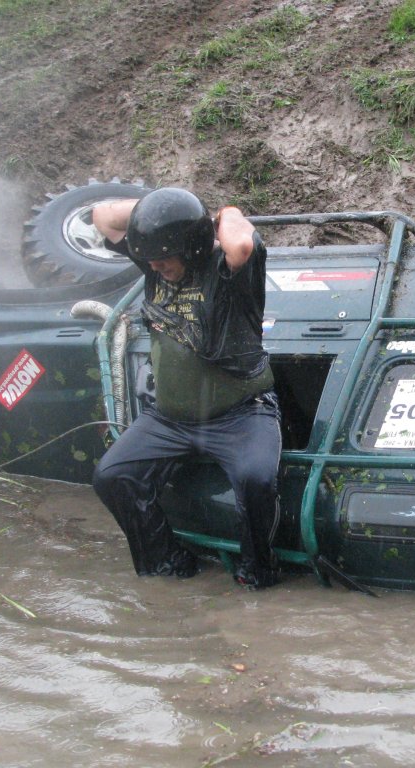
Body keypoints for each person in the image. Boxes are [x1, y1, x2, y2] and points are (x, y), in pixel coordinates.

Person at [91, 187, 283, 589]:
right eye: (150, 257)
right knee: (111, 476)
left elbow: (242, 243)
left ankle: (257, 573)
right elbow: (103, 216)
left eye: (165, 256)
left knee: (256, 478)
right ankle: (169, 565)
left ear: (193, 245)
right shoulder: (153, 267)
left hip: (241, 414)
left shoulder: (229, 275)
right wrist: (161, 209)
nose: (157, 264)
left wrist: (218, 211)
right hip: (170, 419)